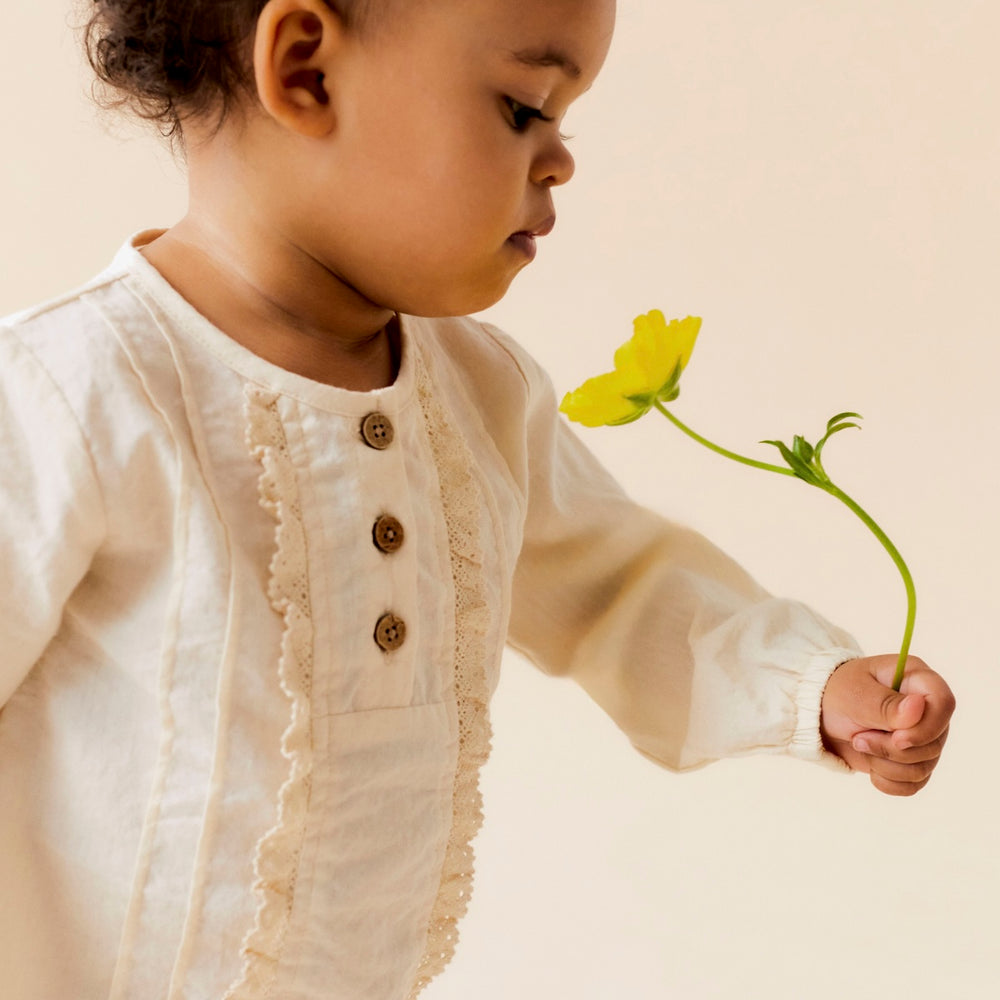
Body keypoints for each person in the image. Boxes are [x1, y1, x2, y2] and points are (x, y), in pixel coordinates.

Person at [0, 1, 955, 998]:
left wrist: (809, 685)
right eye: (522, 108)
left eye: (562, 121)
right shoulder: (74, 392)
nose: (560, 162)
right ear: (307, 70)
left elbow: (617, 584)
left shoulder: (481, 396)